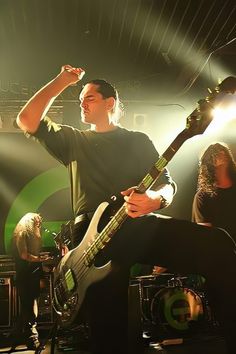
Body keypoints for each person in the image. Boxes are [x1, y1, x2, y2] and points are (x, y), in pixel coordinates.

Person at [16, 65, 236, 354]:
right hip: (92, 241)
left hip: (134, 225)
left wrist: (155, 200)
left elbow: (168, 184)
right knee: (110, 331)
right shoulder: (73, 140)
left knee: (218, 245)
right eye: (81, 99)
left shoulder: (137, 140)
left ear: (110, 103)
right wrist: (62, 81)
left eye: (90, 97)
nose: (82, 102)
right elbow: (27, 119)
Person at [11, 212, 50, 350]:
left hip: (32, 274)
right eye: (37, 221)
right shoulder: (22, 233)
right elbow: (24, 255)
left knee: (29, 305)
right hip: (25, 275)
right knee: (29, 304)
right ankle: (32, 338)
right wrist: (40, 259)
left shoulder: (32, 235)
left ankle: (17, 333)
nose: (39, 224)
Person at [192, 142, 236, 243]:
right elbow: (206, 236)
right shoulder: (203, 196)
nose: (222, 153)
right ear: (209, 161)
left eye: (223, 151)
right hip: (222, 252)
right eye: (216, 152)